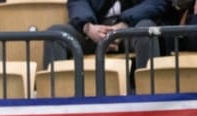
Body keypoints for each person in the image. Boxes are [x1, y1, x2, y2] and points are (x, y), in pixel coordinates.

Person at [42, 0, 172, 70]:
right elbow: (77, 3)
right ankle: (54, 100)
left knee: (146, 30)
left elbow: (157, 3)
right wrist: (88, 27)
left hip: (130, 31)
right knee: (56, 34)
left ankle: (149, 97)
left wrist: (124, 24)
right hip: (94, 33)